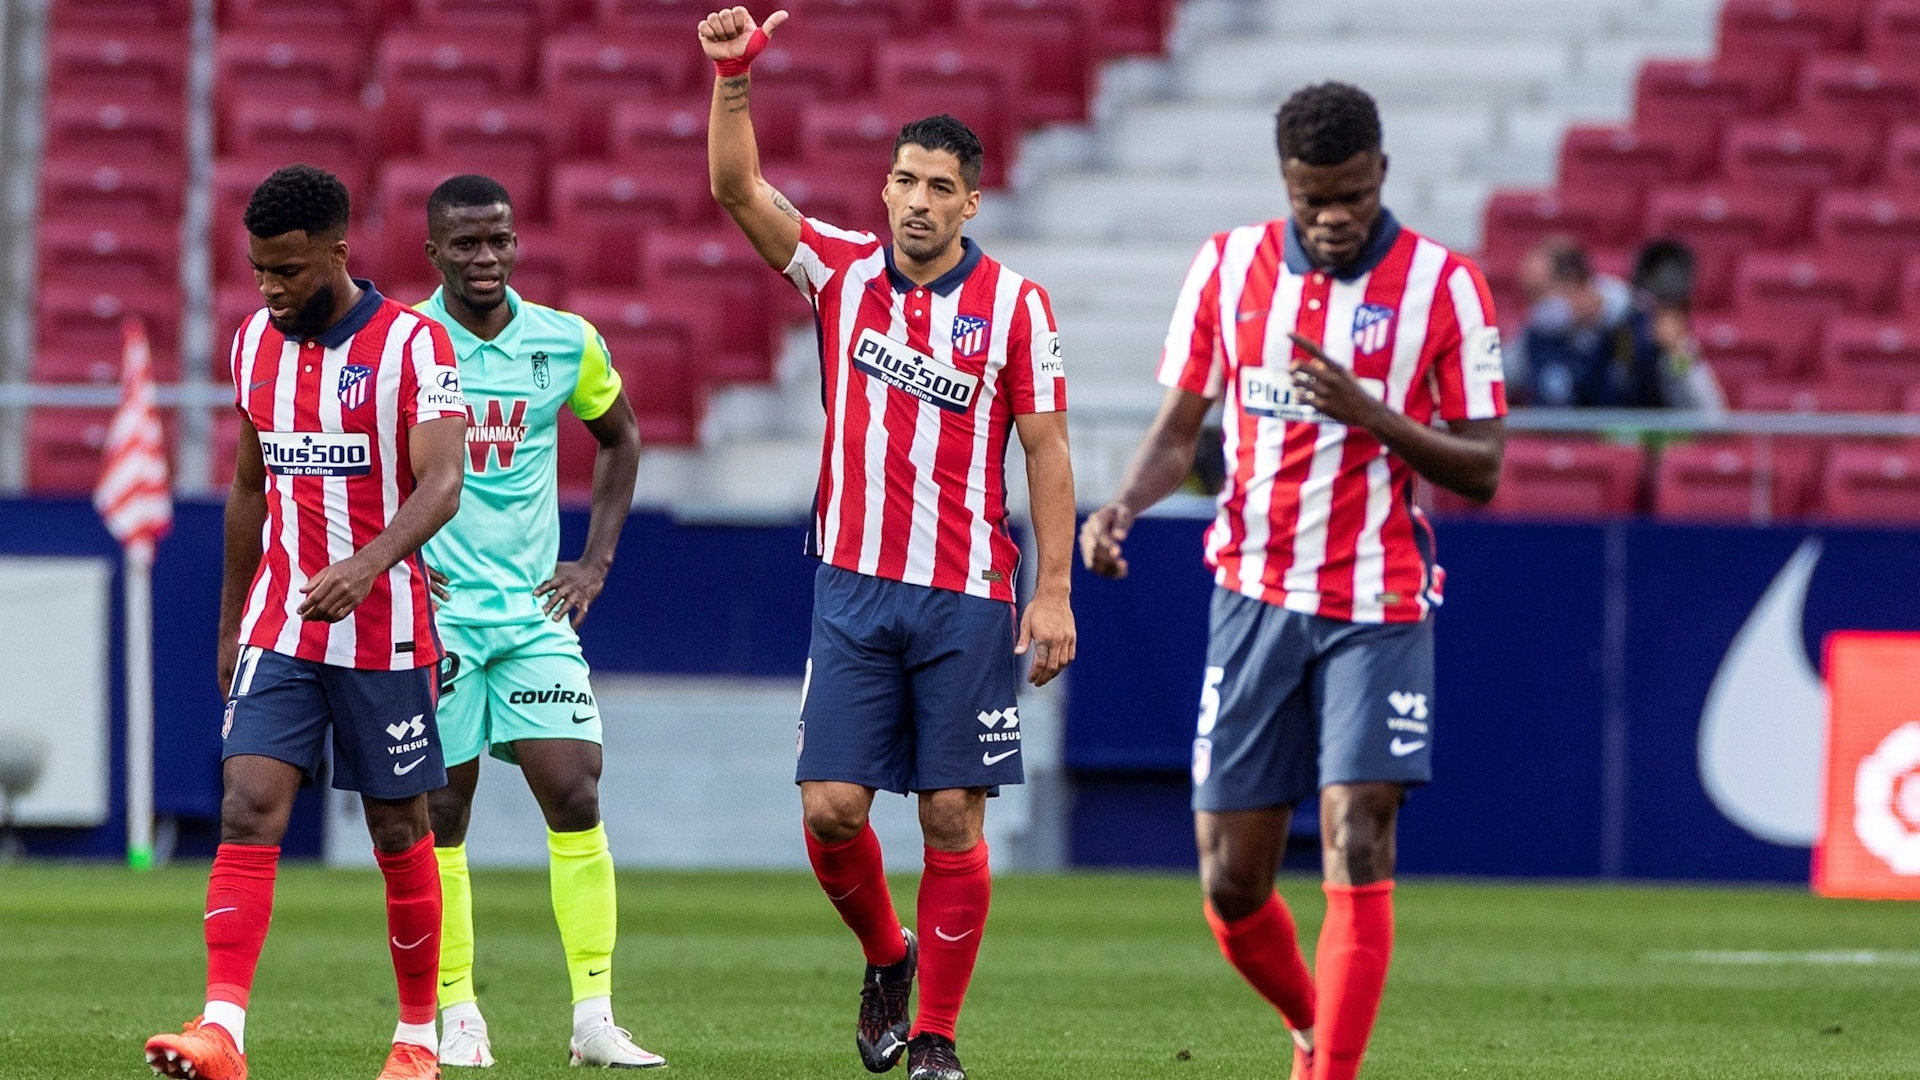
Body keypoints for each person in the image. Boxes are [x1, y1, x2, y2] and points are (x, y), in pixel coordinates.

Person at [1079, 83, 1506, 1080]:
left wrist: (1373, 413)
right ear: (1288, 182)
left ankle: (1333, 1071)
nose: (1333, 216)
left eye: (1351, 194)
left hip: (1380, 603)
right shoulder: (1227, 270)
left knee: (1359, 830)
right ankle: (1316, 1024)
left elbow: (1482, 468)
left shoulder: (1446, 287)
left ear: (1383, 175)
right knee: (1232, 884)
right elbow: (1182, 432)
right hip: (1255, 598)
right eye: (1314, 196)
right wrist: (1123, 507)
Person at [700, 9, 1079, 1079]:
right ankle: (887, 956)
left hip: (964, 592)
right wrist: (734, 80)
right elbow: (737, 191)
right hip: (854, 586)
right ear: (886, 189)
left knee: (951, 814)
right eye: (903, 181)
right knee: (830, 813)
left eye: (937, 187)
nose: (916, 201)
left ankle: (939, 1041)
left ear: (971, 200)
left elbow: (1046, 449)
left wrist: (1052, 593)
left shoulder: (1014, 305)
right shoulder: (840, 273)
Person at [145, 164, 467, 1080]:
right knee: (248, 803)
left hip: (388, 629)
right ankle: (222, 1032)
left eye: (288, 270)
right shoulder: (254, 342)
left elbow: (444, 482)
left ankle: (416, 1039)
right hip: (283, 626)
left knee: (401, 830)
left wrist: (366, 566)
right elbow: (250, 485)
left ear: (337, 251)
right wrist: (230, 622)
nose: (272, 289)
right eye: (259, 272)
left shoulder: (413, 347)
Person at [408, 174, 656, 1069]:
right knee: (443, 810)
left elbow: (622, 435)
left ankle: (594, 1016)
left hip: (531, 615)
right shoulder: (406, 343)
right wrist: (395, 561)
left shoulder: (564, 340)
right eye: (467, 244)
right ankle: (458, 1013)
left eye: (499, 241)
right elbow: (358, 460)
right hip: (438, 621)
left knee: (577, 792)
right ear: (433, 251)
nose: (486, 258)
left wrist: (594, 562)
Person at [1506, 234, 1722, 410]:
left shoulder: (1647, 323)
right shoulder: (1536, 334)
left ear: (1573, 283)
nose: (1533, 306)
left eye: (1537, 293)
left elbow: (1708, 413)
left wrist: (1677, 351)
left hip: (1631, 457)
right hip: (1563, 458)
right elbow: (1490, 384)